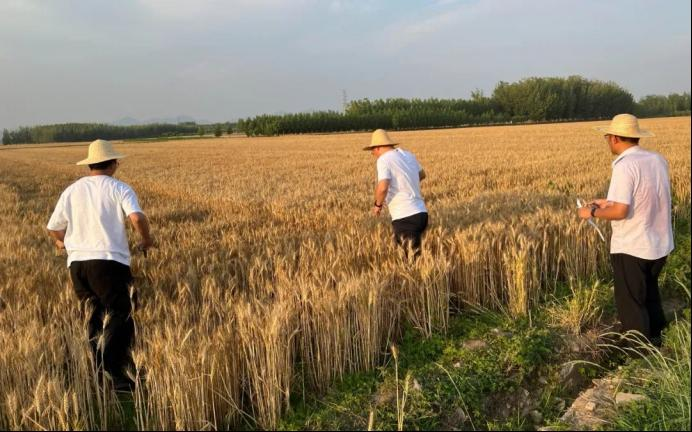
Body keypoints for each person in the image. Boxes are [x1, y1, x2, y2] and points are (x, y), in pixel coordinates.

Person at [47, 139, 154, 390]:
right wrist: (147, 240)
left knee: (94, 315)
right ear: (113, 163)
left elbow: (53, 227)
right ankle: (116, 372)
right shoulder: (119, 188)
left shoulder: (72, 190)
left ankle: (98, 370)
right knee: (122, 312)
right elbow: (137, 217)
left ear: (90, 164)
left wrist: (63, 243)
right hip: (108, 262)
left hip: (77, 266)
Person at [578, 114, 673, 344]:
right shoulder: (656, 159)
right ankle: (658, 337)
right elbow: (646, 195)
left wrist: (591, 212)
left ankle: (639, 351)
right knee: (649, 292)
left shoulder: (624, 165)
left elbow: (621, 211)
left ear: (614, 138)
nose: (607, 141)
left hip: (633, 245)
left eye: (607, 136)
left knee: (630, 302)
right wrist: (607, 202)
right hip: (660, 242)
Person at [364, 129, 428, 257]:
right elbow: (422, 174)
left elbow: (383, 187)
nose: (373, 154)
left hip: (405, 216)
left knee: (410, 260)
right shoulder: (408, 155)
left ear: (378, 148)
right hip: (421, 214)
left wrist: (377, 205)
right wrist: (407, 183)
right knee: (416, 257)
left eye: (372, 151)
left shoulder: (383, 160)